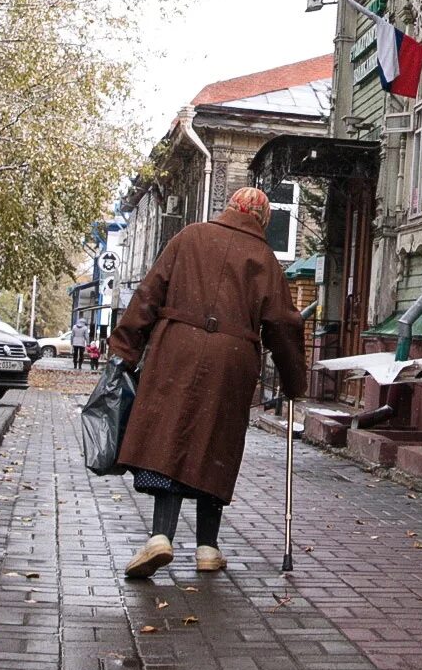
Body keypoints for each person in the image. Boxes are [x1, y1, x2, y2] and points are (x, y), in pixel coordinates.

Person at [109, 186, 306, 578]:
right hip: (231, 360)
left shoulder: (190, 237)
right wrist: (293, 381)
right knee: (215, 444)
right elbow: (283, 325)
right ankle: (206, 548)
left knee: (170, 437)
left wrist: (126, 348)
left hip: (175, 349)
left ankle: (160, 538)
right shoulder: (265, 259)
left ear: (230, 207)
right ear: (263, 219)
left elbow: (148, 295)